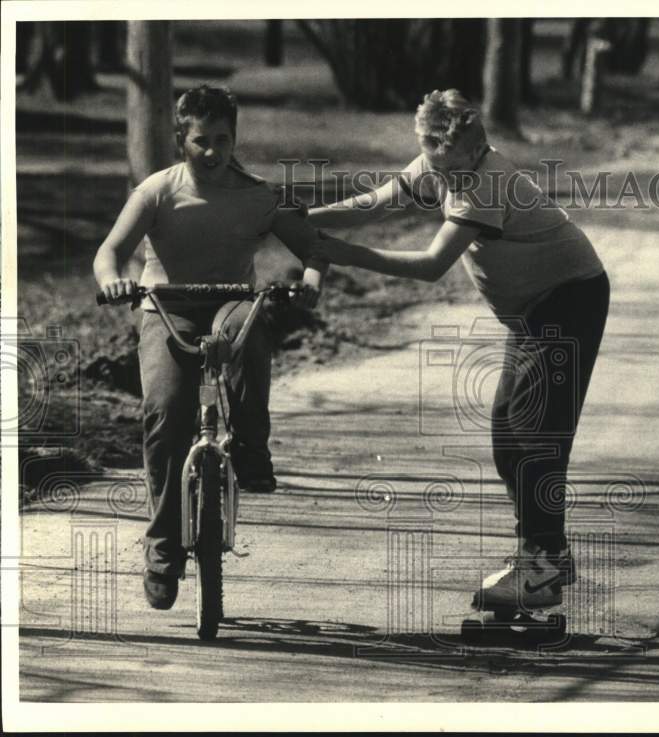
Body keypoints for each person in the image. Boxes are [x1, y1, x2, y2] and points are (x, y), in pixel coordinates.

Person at [308, 89, 609, 610]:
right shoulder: (440, 162)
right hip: (534, 312)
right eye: (435, 167)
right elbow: (377, 204)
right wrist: (301, 220)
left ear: (477, 149)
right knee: (507, 436)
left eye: (452, 171)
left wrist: (343, 254)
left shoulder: (486, 181)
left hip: (568, 300)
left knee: (535, 431)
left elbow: (430, 265)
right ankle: (548, 554)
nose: (443, 181)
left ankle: (539, 565)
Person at [93, 85, 332, 610]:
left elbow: (315, 246)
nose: (212, 152)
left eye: (223, 140)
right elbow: (110, 252)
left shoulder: (257, 193)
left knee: (249, 324)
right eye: (201, 141)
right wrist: (113, 281)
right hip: (167, 308)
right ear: (182, 139)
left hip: (230, 302)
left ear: (235, 138)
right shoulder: (158, 191)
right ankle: (161, 552)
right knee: (166, 414)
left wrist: (312, 277)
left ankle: (250, 449)